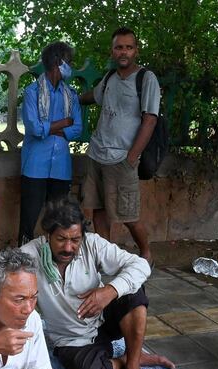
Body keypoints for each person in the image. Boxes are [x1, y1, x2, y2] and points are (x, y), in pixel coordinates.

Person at [20, 199, 174, 369]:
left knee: (133, 291)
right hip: (72, 339)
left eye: (75, 239)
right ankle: (128, 359)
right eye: (61, 239)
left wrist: (110, 291)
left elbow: (140, 265)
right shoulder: (30, 255)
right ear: (47, 236)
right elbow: (3, 278)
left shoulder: (92, 244)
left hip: (103, 320)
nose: (68, 247)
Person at [79, 27, 160, 264]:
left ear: (136, 50)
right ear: (112, 51)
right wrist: (69, 96)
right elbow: (92, 97)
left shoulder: (146, 79)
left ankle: (145, 254)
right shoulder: (110, 79)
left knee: (128, 215)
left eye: (128, 47)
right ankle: (106, 257)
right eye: (119, 47)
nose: (123, 52)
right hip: (97, 154)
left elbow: (150, 119)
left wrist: (132, 156)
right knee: (98, 209)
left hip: (122, 158)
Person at [18, 41, 82, 245]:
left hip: (61, 167)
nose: (70, 67)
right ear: (57, 63)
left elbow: (78, 128)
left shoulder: (70, 95)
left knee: (59, 219)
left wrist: (50, 128)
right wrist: (64, 123)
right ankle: (22, 257)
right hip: (35, 166)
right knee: (29, 218)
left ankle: (56, 259)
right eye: (68, 62)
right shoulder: (32, 92)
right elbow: (34, 129)